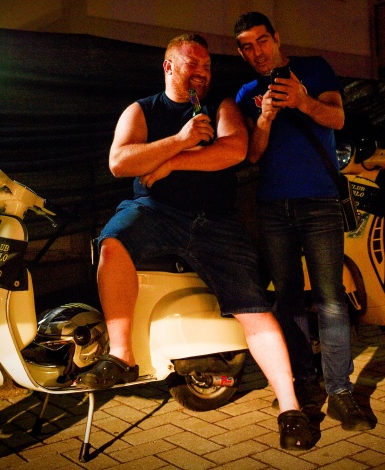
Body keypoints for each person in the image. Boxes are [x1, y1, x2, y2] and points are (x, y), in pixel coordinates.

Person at [80, 33, 317, 450]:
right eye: (193, 64)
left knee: (254, 309)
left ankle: (290, 407)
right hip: (155, 211)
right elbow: (120, 162)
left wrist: (171, 162)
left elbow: (235, 151)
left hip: (216, 221)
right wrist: (180, 139)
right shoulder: (141, 110)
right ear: (169, 66)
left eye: (207, 67)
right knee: (112, 243)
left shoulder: (220, 107)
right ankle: (120, 356)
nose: (203, 73)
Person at [233, 11, 372, 431]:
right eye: (247, 47)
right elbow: (253, 154)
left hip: (320, 201)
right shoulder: (246, 93)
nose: (257, 52)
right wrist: (264, 119)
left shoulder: (313, 68)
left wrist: (302, 101)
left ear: (277, 38)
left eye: (262, 41)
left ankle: (341, 391)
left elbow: (337, 119)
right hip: (272, 206)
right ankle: (305, 383)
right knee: (288, 298)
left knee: (330, 298)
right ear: (241, 53)